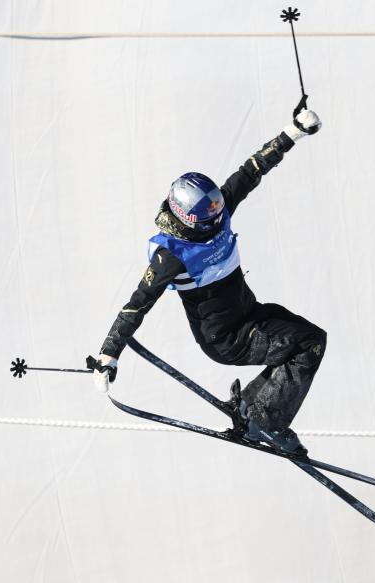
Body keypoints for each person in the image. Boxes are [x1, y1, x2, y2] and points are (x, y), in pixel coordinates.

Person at [91, 106, 326, 455]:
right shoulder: (172, 254)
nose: (218, 220)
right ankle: (267, 420)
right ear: (188, 219)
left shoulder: (217, 213)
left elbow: (251, 171)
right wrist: (109, 353)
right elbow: (137, 303)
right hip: (228, 339)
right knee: (307, 344)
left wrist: (292, 133)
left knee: (308, 338)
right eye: (210, 218)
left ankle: (254, 409)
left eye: (218, 211)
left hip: (252, 315)